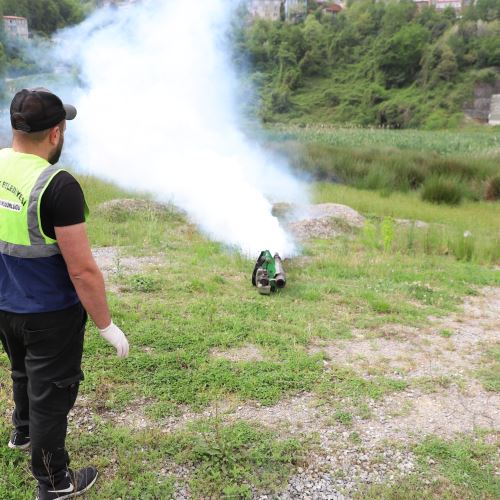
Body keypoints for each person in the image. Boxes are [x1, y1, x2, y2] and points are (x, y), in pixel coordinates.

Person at [0, 88, 130, 500]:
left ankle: (22, 433)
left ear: (15, 126)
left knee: (21, 370)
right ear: (55, 134)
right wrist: (105, 324)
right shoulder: (58, 185)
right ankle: (55, 482)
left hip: (4, 305)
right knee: (52, 395)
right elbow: (83, 269)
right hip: (50, 315)